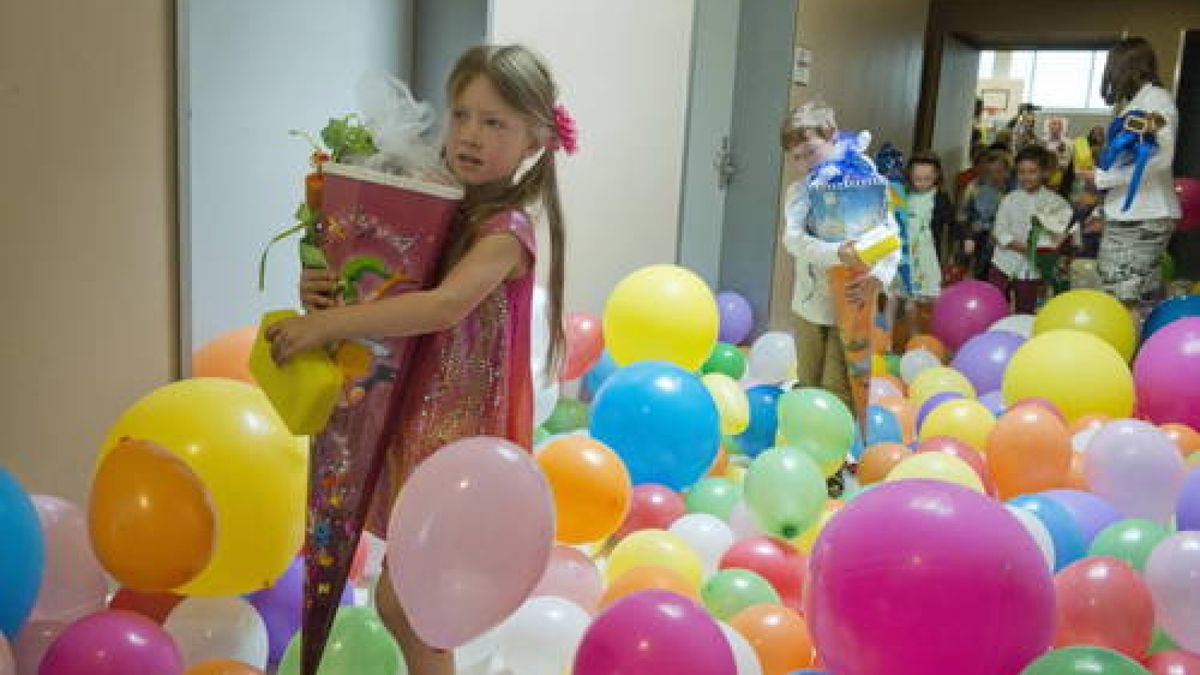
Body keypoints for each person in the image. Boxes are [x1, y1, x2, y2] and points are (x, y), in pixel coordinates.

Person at [267, 44, 570, 675]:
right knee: (400, 600)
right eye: (462, 115)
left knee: (417, 608)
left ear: (535, 140)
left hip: (456, 442)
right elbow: (389, 292)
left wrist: (326, 322)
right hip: (414, 424)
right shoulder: (438, 210)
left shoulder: (507, 231)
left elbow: (438, 307)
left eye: (495, 123)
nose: (470, 135)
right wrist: (326, 287)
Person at [780, 102, 899, 409]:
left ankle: (837, 452)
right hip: (808, 303)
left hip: (853, 298)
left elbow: (890, 235)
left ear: (833, 138)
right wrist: (837, 253)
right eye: (797, 157)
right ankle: (803, 442)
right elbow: (793, 239)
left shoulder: (866, 180)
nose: (806, 162)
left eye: (811, 151)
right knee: (808, 378)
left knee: (839, 385)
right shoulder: (799, 192)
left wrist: (879, 278)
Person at [1089, 37, 1181, 311]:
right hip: (1135, 213)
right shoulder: (1140, 102)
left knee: (1122, 299)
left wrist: (1103, 178)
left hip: (1142, 215)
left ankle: (1129, 353)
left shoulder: (1156, 102)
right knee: (1138, 298)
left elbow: (1159, 159)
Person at [989, 146, 1073, 313]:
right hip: (1003, 262)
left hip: (1031, 269)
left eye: (1032, 171)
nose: (1026, 177)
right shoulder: (1010, 199)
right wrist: (1020, 246)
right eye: (1021, 172)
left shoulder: (1057, 203)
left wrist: (1046, 249)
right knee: (994, 305)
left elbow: (1059, 234)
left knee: (1025, 310)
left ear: (1044, 172)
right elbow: (999, 230)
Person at [890, 151, 955, 337]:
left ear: (936, 176)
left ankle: (943, 332)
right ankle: (914, 337)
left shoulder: (940, 197)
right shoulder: (904, 194)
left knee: (934, 297)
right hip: (906, 255)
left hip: (927, 256)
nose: (922, 183)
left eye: (927, 178)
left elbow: (952, 221)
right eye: (917, 178)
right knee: (907, 300)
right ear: (910, 176)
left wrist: (965, 238)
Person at [958, 149, 1013, 279]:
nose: (994, 176)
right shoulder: (974, 187)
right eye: (990, 172)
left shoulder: (1011, 191)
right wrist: (968, 236)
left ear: (1007, 172)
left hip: (1001, 240)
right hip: (974, 235)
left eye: (999, 171)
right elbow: (962, 214)